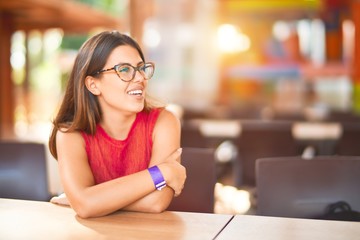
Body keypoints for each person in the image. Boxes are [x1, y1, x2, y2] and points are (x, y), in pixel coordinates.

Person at [48, 31, 186, 218]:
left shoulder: (164, 122)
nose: (140, 78)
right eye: (124, 70)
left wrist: (92, 200)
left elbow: (156, 202)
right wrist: (162, 172)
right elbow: (85, 205)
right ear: (93, 85)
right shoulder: (70, 133)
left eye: (140, 68)